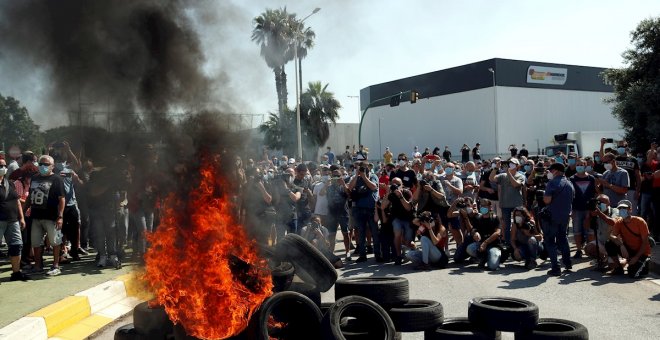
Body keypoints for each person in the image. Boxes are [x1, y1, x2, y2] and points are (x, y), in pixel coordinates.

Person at [26, 155, 66, 276]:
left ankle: (55, 266)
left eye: (46, 164)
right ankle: (38, 266)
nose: (43, 166)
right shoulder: (34, 178)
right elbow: (29, 196)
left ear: (52, 166)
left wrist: (60, 216)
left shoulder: (57, 179)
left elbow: (62, 199)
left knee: (55, 241)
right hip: (36, 215)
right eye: (41, 164)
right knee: (36, 242)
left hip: (51, 216)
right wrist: (23, 210)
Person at [542, 163, 576, 276]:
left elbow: (547, 200)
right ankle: (567, 263)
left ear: (556, 171)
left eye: (551, 171)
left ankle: (556, 268)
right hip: (565, 216)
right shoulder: (569, 183)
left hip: (552, 216)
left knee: (550, 241)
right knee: (563, 239)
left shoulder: (552, 183)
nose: (549, 173)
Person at [603, 200, 652, 278]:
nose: (622, 210)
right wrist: (621, 244)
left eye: (624, 208)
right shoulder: (619, 222)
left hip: (642, 253)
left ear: (630, 209)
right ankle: (618, 268)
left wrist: (636, 257)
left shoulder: (640, 221)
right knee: (609, 243)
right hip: (628, 250)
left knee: (633, 274)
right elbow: (611, 235)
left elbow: (645, 243)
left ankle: (634, 263)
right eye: (620, 208)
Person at [0, 157, 30, 281]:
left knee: (16, 245)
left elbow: (17, 201)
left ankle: (16, 272)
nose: (3, 168)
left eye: (4, 165)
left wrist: (21, 218)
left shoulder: (9, 183)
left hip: (13, 220)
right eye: (0, 165)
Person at [348, 161, 380, 262]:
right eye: (362, 168)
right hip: (359, 209)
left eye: (366, 167)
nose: (364, 169)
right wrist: (357, 175)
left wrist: (365, 176)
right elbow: (350, 187)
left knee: (375, 233)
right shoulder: (357, 177)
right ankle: (362, 255)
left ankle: (378, 255)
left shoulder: (373, 176)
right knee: (361, 233)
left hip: (371, 209)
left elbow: (374, 187)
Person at [489, 158, 526, 245]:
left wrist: (508, 172)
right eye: (509, 163)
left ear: (518, 166)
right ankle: (508, 242)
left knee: (519, 222)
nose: (510, 165)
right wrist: (496, 168)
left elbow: (515, 184)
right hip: (505, 204)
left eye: (513, 163)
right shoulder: (502, 175)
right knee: (506, 225)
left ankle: (519, 240)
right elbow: (491, 178)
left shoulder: (521, 176)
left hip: (517, 204)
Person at [381, 177, 413, 265]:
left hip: (407, 218)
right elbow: (383, 207)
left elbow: (408, 208)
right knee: (397, 232)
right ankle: (398, 256)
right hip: (396, 218)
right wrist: (388, 192)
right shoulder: (391, 194)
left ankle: (407, 253)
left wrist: (400, 196)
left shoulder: (407, 192)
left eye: (398, 184)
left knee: (408, 239)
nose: (396, 186)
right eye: (393, 184)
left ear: (402, 185)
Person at [569, 158, 597, 259]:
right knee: (577, 231)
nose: (579, 166)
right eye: (578, 165)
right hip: (576, 209)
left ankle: (590, 250)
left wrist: (592, 210)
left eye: (581, 164)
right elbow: (570, 196)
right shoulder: (571, 179)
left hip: (588, 209)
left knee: (590, 231)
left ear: (586, 166)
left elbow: (594, 194)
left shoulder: (591, 178)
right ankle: (579, 250)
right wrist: (571, 210)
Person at [464, 198, 502, 271]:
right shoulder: (478, 218)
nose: (482, 207)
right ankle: (483, 258)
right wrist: (475, 233)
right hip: (481, 245)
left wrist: (485, 242)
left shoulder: (495, 218)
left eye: (485, 205)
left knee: (492, 266)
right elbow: (473, 229)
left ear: (490, 207)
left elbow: (497, 233)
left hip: (493, 245)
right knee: (470, 248)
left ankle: (493, 258)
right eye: (481, 205)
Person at [584, 194, 617, 270]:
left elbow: (613, 222)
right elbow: (586, 226)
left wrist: (599, 213)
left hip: (613, 244)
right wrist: (589, 215)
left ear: (608, 203)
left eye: (603, 203)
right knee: (588, 248)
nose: (600, 205)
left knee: (613, 267)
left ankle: (621, 260)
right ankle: (602, 259)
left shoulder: (614, 211)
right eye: (598, 203)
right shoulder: (595, 213)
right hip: (601, 243)